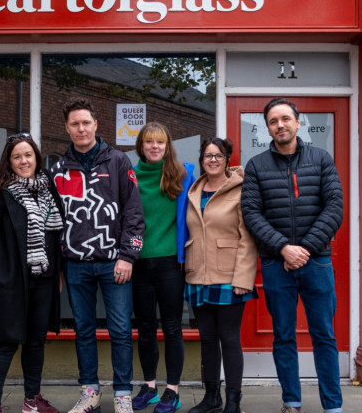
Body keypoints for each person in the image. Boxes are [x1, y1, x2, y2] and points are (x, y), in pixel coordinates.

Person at [241, 98, 344, 413]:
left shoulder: (322, 159)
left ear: (299, 123)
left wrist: (306, 249)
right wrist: (285, 248)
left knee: (324, 335)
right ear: (268, 128)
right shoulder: (257, 165)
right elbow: (251, 213)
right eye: (273, 121)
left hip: (317, 262)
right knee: (283, 335)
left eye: (285, 118)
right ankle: (292, 401)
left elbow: (334, 207)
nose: (280, 125)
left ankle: (333, 405)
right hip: (275, 264)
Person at [50, 98, 145, 413]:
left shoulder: (118, 161)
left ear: (95, 125)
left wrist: (128, 256)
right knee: (83, 330)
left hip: (113, 262)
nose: (80, 128)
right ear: (67, 128)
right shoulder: (59, 168)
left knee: (119, 329)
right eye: (74, 124)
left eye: (85, 122)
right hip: (75, 265)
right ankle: (89, 391)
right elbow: (53, 220)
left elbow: (133, 213)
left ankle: (122, 394)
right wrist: (58, 265)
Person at [0, 133, 65, 413]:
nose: (23, 160)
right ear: (9, 161)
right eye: (17, 156)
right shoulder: (0, 192)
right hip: (12, 280)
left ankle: (32, 400)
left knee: (36, 343)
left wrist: (57, 273)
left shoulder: (48, 188)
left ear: (37, 157)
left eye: (28, 155)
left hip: (44, 279)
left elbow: (56, 236)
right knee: (5, 344)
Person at [184, 138, 257, 413]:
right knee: (206, 338)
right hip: (197, 274)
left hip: (229, 275)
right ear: (202, 160)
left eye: (218, 155)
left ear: (227, 158)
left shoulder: (240, 189)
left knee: (229, 338)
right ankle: (211, 396)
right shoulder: (194, 188)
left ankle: (233, 401)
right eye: (207, 155)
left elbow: (248, 238)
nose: (212, 160)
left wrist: (243, 278)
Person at [130, 123, 195, 413]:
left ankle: (173, 390)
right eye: (149, 142)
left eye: (160, 142)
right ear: (141, 146)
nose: (155, 147)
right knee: (145, 329)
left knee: (171, 328)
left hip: (170, 263)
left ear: (168, 146)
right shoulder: (129, 176)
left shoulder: (183, 174)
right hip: (139, 263)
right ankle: (149, 386)